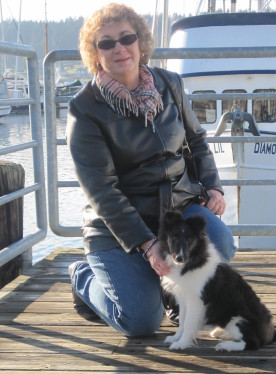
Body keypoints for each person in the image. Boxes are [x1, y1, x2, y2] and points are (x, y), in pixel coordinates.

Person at [66, 2, 237, 337]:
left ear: (140, 42)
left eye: (126, 37)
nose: (119, 48)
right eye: (106, 42)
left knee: (223, 244)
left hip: (175, 211)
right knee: (142, 322)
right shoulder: (84, 109)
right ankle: (83, 277)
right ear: (94, 52)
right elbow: (102, 191)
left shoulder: (170, 84)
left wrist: (212, 186)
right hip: (117, 227)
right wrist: (146, 245)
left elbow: (197, 141)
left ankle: (163, 286)